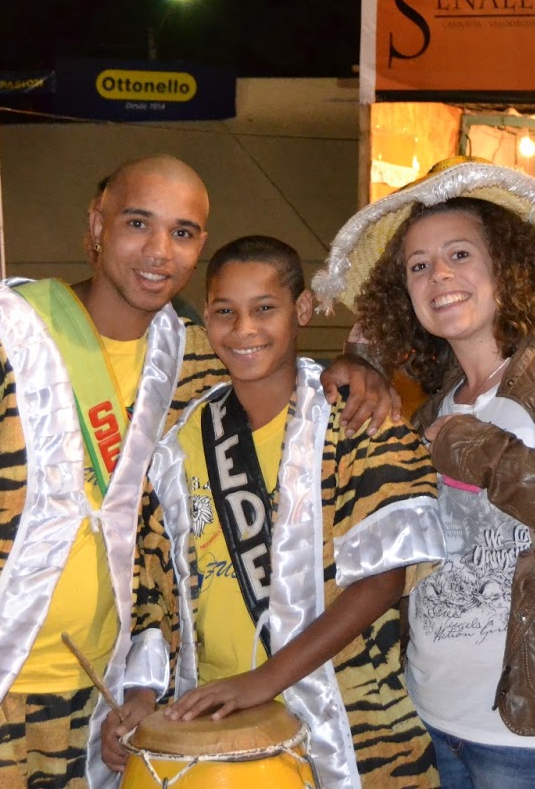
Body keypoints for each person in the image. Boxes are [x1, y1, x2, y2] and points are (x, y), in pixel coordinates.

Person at [0, 155, 396, 789]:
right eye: (137, 223)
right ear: (97, 225)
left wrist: (355, 366)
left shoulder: (194, 358)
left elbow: (273, 360)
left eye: (182, 232)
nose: (159, 251)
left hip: (94, 697)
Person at [313, 157, 535, 789]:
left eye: (460, 254)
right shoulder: (433, 408)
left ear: (506, 265)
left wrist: (485, 453)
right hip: (427, 717)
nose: (439, 275)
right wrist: (359, 361)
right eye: (418, 266)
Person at [100, 236, 444, 786]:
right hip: (210, 716)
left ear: (302, 309)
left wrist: (263, 680)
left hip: (348, 719)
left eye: (264, 308)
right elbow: (155, 592)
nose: (244, 330)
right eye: (224, 312)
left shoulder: (358, 421)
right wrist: (142, 695)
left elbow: (382, 581)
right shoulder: (181, 440)